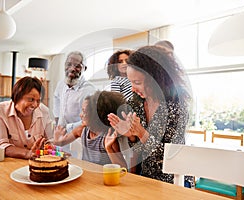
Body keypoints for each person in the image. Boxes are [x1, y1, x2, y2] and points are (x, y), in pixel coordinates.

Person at [108, 45, 193, 187]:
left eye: (137, 82)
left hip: (175, 181)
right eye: (130, 82)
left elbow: (170, 157)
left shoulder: (176, 106)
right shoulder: (137, 103)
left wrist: (141, 133)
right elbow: (140, 152)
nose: (133, 88)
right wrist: (132, 136)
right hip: (147, 179)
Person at [53, 91, 128, 167]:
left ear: (95, 116)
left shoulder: (108, 137)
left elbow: (123, 168)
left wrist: (108, 148)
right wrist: (57, 140)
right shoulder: (82, 130)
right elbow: (61, 142)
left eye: (84, 111)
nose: (81, 115)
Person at [0, 76, 53, 159]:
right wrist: (27, 153)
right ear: (17, 96)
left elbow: (49, 141)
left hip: (37, 163)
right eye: (31, 99)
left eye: (38, 101)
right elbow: (1, 145)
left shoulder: (44, 111)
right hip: (10, 163)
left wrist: (49, 148)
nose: (35, 105)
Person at [53, 51, 95, 157]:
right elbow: (56, 99)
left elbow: (89, 118)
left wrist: (68, 128)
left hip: (79, 136)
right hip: (60, 134)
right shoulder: (60, 84)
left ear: (84, 68)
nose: (72, 68)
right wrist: (57, 121)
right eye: (69, 64)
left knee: (75, 165)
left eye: (77, 66)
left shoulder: (89, 90)